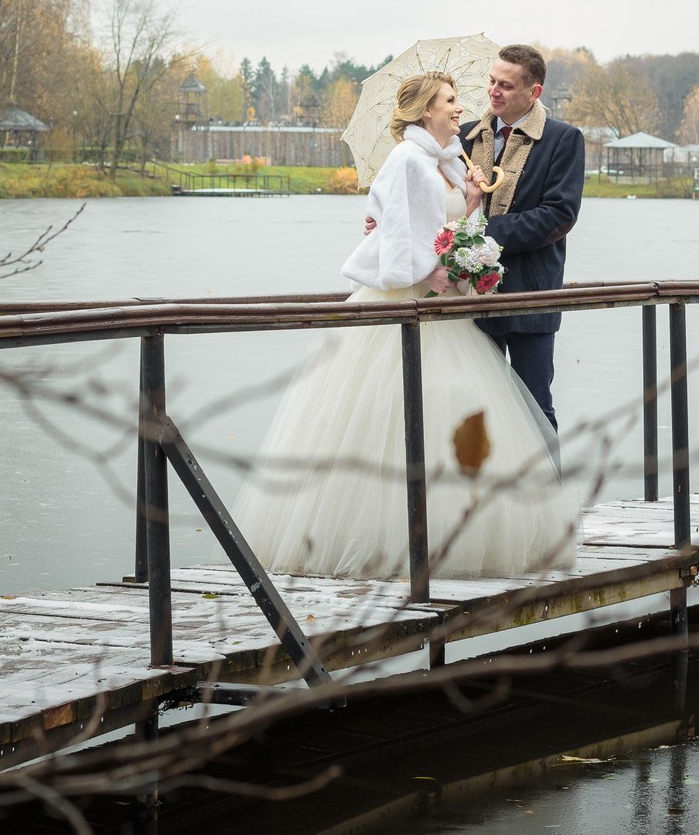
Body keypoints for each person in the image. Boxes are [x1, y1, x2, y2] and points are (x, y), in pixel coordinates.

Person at [234, 71, 576, 580]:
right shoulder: (408, 161)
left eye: (460, 99)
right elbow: (396, 239)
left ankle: (456, 532)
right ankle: (382, 538)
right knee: (388, 413)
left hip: (444, 309)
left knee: (454, 409)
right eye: (451, 101)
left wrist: (473, 212)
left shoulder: (447, 160)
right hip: (410, 303)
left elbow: (446, 228)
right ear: (425, 111)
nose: (462, 108)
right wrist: (431, 270)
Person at [459, 45, 585, 430]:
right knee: (478, 410)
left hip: (531, 294)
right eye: (492, 82)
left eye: (506, 86)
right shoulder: (466, 138)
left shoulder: (562, 139)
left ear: (534, 92)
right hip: (471, 297)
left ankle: (548, 491)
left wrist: (482, 233)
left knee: (536, 409)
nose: (494, 91)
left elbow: (559, 215)